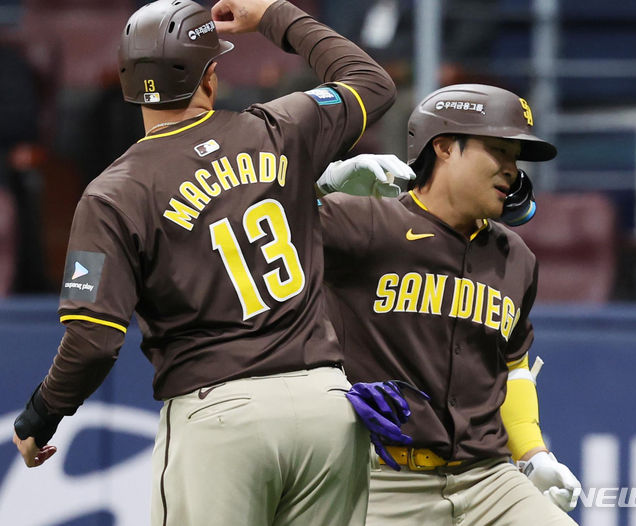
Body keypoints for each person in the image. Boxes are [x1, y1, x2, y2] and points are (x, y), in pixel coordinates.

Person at [12, 1, 397, 525]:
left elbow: (93, 341)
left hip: (219, 416)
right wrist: (275, 15)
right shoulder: (280, 127)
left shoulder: (113, 194)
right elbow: (369, 80)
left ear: (128, 82)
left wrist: (43, 413)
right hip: (323, 405)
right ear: (211, 75)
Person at [318, 84, 582, 525]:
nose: (511, 170)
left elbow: (513, 368)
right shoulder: (364, 223)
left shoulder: (515, 257)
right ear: (442, 147)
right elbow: (236, 221)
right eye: (497, 150)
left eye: (515, 157)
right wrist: (318, 186)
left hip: (489, 479)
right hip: (382, 481)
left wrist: (534, 454)